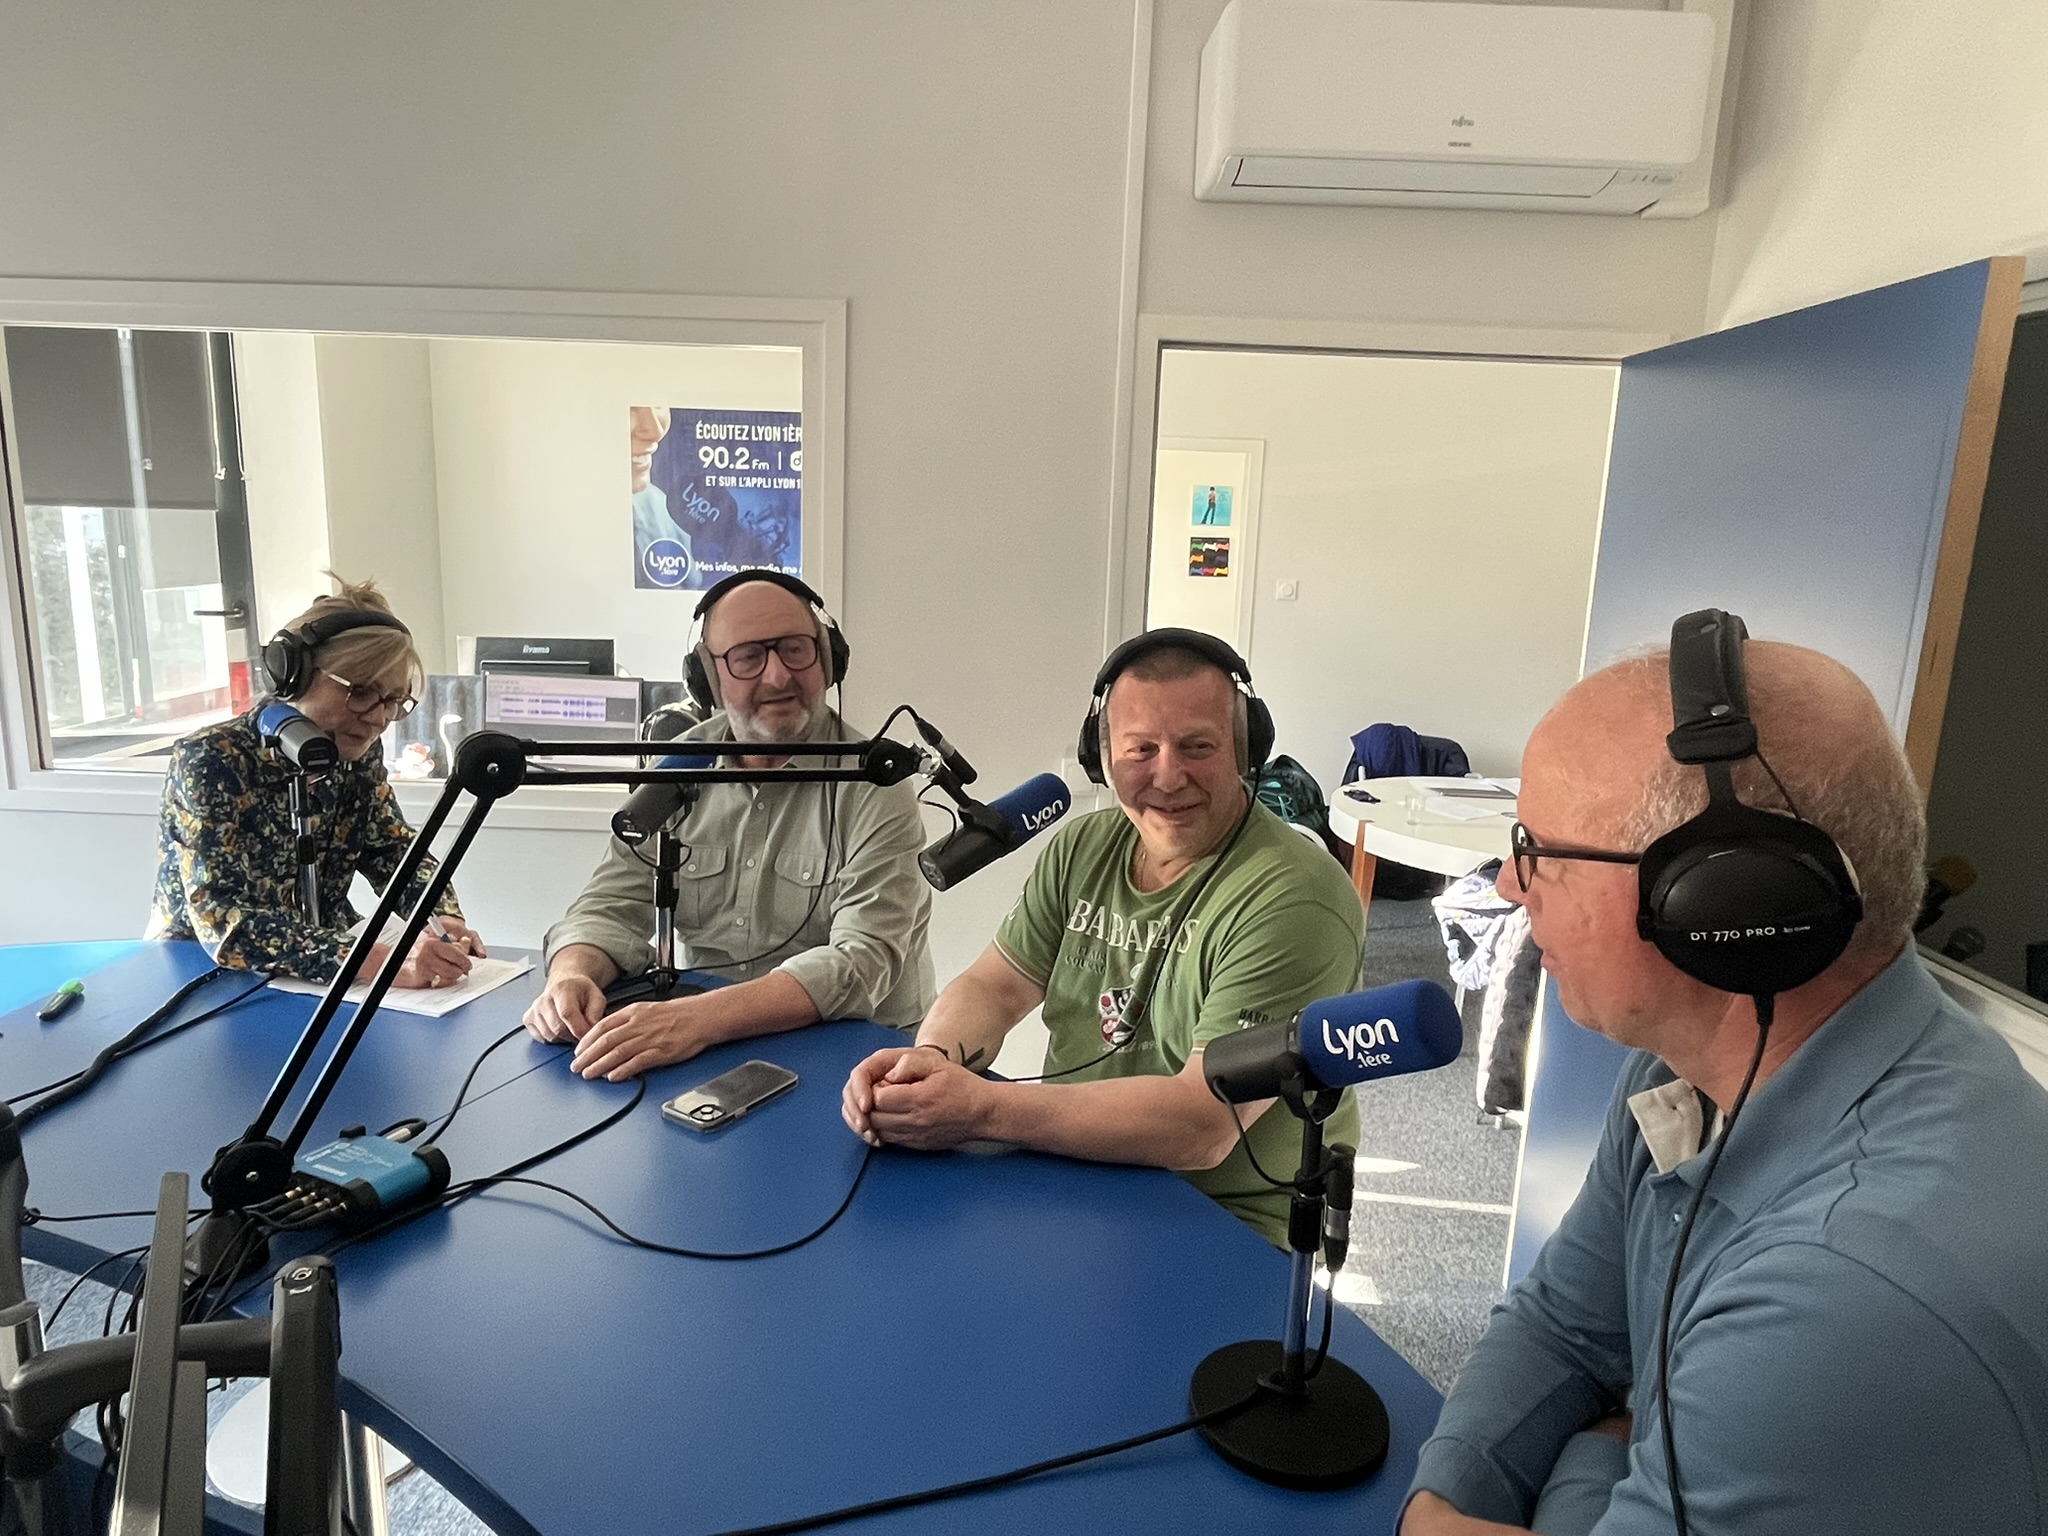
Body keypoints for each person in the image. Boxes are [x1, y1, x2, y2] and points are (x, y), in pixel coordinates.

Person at [1401, 637, 2048, 1536]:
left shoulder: (1841, 1300)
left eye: (1539, 848)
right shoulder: (1687, 1077)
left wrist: (1598, 1453)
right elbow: (1565, 1329)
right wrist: (1453, 1500)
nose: (1510, 884)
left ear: (1721, 906)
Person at [840, 630, 1365, 1247]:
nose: (1168, 777)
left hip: (1225, 1223)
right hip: (1074, 1169)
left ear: (1245, 750)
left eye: (1198, 746)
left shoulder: (1295, 896)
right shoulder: (1083, 846)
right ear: (1102, 754)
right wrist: (931, 1062)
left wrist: (981, 1109)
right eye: (1140, 749)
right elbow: (996, 985)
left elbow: (1202, 1125)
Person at [526, 569, 934, 1080]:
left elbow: (861, 962)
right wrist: (572, 973)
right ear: (709, 678)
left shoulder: (876, 782)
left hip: (854, 1058)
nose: (778, 676)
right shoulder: (677, 771)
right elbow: (610, 903)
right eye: (748, 657)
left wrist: (697, 1020)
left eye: (794, 649)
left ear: (828, 658)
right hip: (706, 1050)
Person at [147, 576, 485, 988]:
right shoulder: (210, 759)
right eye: (361, 692)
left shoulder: (356, 751)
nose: (379, 718)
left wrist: (440, 916)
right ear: (297, 676)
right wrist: (380, 962)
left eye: (395, 701)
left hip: (330, 970)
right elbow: (223, 919)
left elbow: (391, 850)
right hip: (205, 979)